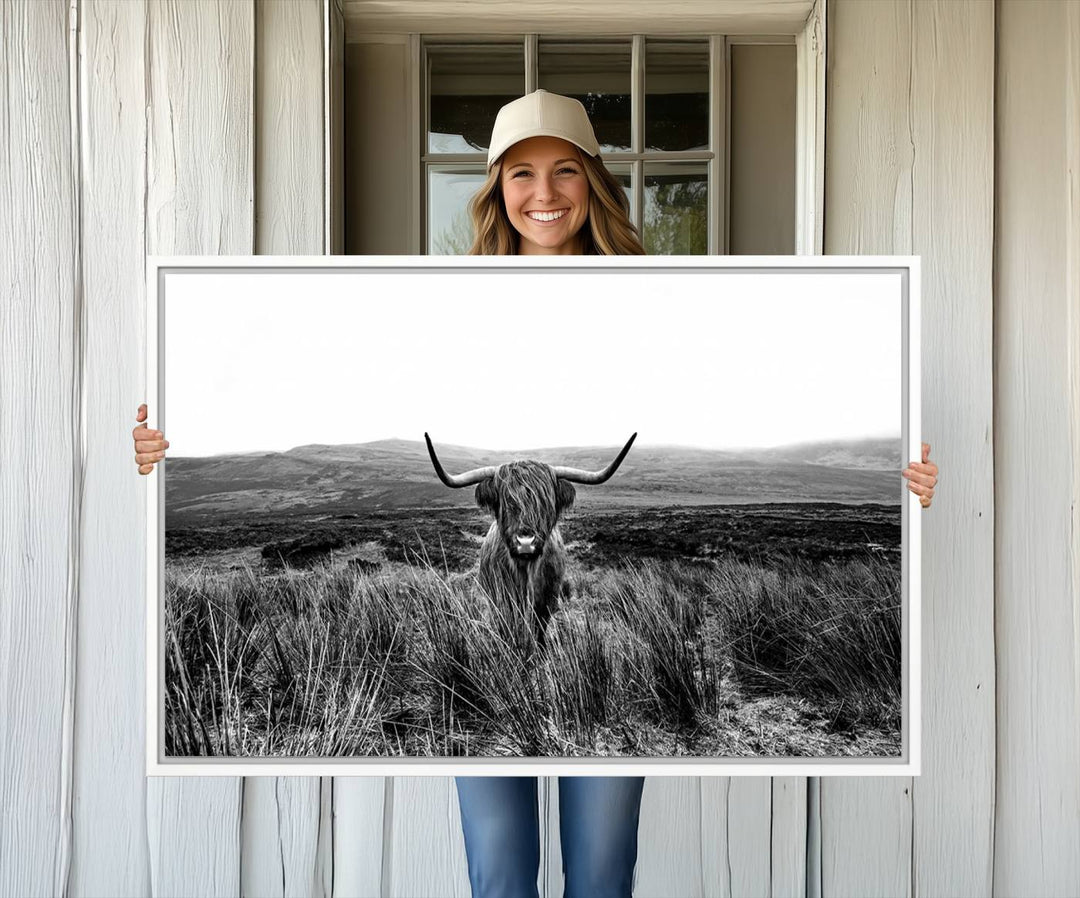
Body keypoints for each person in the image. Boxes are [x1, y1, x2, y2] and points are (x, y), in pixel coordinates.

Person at [131, 90, 939, 898]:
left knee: (600, 873)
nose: (544, 194)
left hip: (561, 593)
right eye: (521, 173)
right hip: (487, 624)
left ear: (593, 182)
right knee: (500, 874)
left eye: (564, 172)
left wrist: (900, 480)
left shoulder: (663, 297)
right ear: (495, 188)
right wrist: (162, 453)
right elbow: (323, 363)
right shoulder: (441, 304)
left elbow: (752, 372)